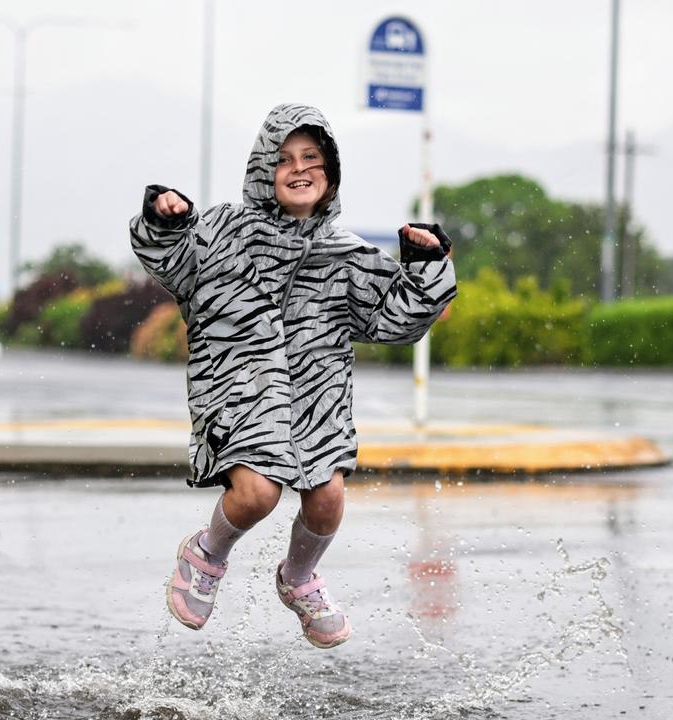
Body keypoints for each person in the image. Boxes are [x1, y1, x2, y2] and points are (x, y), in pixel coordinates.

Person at [129, 103, 456, 649]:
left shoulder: (347, 254)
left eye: (311, 157)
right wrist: (166, 218)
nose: (298, 168)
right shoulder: (223, 232)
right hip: (238, 385)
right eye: (283, 160)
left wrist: (424, 265)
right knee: (258, 493)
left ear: (329, 172)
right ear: (263, 171)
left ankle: (299, 579)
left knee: (327, 496)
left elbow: (398, 318)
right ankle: (206, 554)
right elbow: (169, 257)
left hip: (317, 393)